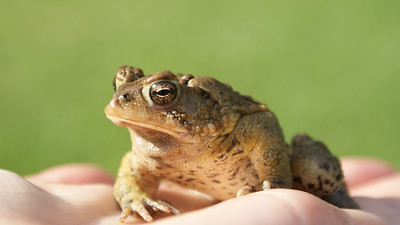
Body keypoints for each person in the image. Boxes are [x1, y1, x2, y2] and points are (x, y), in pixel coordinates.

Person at [0, 158, 398, 225]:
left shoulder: (219, 118)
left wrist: (274, 184)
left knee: (317, 172)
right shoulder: (148, 147)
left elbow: (264, 135)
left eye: (160, 97)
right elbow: (130, 172)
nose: (119, 101)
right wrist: (133, 198)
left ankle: (339, 193)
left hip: (277, 165)